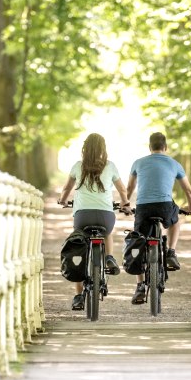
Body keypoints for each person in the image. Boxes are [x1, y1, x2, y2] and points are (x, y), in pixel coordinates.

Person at [58, 133, 131, 310]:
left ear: (85, 149)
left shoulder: (78, 166)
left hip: (82, 216)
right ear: (103, 149)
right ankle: (110, 258)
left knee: (80, 247)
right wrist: (125, 204)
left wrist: (63, 200)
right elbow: (122, 189)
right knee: (107, 232)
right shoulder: (110, 166)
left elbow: (67, 187)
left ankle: (78, 296)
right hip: (105, 216)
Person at [126, 132, 191, 304]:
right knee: (175, 220)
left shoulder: (138, 163)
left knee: (139, 241)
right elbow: (188, 190)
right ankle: (171, 251)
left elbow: (129, 188)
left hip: (143, 207)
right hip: (164, 206)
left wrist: (126, 204)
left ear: (150, 147)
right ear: (166, 147)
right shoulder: (174, 163)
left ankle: (140, 286)